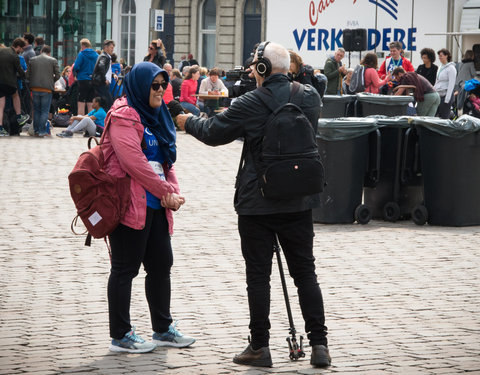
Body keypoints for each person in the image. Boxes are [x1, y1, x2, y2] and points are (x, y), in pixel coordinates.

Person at [175, 41, 330, 369]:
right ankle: (319, 346)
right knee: (305, 273)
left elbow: (214, 132)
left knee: (258, 277)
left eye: (254, 67)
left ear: (261, 68)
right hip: (299, 200)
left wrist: (184, 119)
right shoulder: (309, 97)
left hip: (257, 203)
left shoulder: (250, 102)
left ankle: (259, 347)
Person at [100, 61, 194, 353]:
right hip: (130, 204)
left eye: (164, 85)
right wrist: (165, 190)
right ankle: (121, 335)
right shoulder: (124, 115)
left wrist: (173, 194)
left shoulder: (157, 115)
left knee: (161, 265)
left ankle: (163, 329)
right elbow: (133, 163)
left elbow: (167, 161)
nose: (160, 90)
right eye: (155, 85)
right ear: (141, 85)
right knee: (125, 268)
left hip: (156, 204)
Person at [27, 45, 60, 137]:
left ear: (41, 51)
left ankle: (36, 130)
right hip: (47, 89)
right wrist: (51, 81)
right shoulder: (53, 60)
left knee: (36, 110)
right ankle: (42, 131)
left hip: (35, 88)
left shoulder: (32, 60)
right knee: (45, 111)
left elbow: (27, 75)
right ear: (49, 52)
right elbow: (58, 75)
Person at [0, 38, 30, 136]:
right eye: (21, 49)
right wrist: (25, 75)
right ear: (18, 46)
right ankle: (19, 116)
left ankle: (0, 128)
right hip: (9, 82)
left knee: (1, 106)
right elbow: (20, 71)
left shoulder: (1, 51)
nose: (21, 51)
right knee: (15, 95)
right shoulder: (14, 56)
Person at [73, 38, 99, 115]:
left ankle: (80, 122)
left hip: (83, 80)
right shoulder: (96, 55)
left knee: (81, 102)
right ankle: (89, 124)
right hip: (93, 80)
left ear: (83, 45)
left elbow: (76, 66)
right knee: (90, 103)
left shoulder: (82, 54)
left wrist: (76, 74)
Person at [92, 39, 115, 111]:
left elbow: (106, 70)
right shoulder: (104, 57)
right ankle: (105, 120)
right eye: (111, 47)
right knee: (108, 103)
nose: (113, 49)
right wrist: (104, 79)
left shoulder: (105, 56)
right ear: (106, 47)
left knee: (105, 103)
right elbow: (101, 66)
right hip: (101, 83)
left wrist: (113, 75)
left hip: (101, 82)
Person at [434, 48, 457, 119]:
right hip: (438, 94)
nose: (439, 57)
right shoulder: (440, 67)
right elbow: (437, 81)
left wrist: (447, 99)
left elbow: (451, 84)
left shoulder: (451, 68)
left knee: (444, 116)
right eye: (439, 56)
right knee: (436, 115)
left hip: (446, 95)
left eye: (441, 55)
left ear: (446, 56)